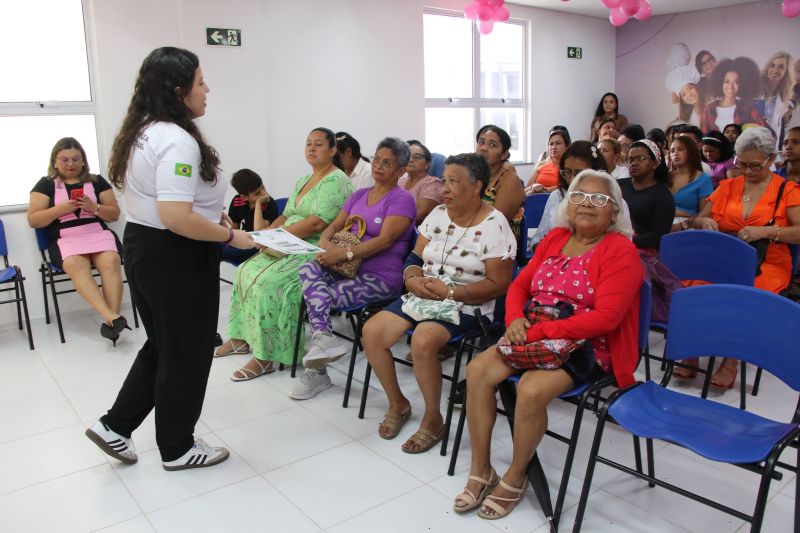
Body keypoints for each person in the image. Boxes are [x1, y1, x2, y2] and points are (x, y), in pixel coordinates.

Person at [84, 47, 256, 471]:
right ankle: (177, 447)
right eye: (201, 81)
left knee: (165, 344)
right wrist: (233, 235)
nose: (207, 88)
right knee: (190, 350)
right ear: (179, 91)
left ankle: (115, 426)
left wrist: (205, 213)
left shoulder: (143, 129)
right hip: (174, 254)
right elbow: (176, 216)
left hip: (146, 245)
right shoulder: (178, 141)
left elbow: (164, 200)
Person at [454, 170, 642, 520]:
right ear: (567, 204)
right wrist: (513, 319)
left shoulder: (621, 251)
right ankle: (482, 469)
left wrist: (539, 332)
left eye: (599, 199)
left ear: (614, 211)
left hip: (587, 344)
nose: (587, 204)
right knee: (477, 371)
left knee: (530, 389)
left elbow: (606, 319)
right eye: (579, 196)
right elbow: (519, 286)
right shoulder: (556, 238)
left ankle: (516, 472)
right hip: (534, 332)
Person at [361, 153, 516, 454]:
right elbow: (415, 256)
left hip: (468, 304)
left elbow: (499, 284)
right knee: (372, 331)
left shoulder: (496, 225)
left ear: (476, 186)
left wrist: (453, 293)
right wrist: (412, 278)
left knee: (423, 340)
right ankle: (399, 403)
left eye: (454, 182)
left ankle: (433, 419)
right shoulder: (438, 215)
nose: (445, 188)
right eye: (444, 180)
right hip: (426, 292)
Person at [215, 128, 352, 379]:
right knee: (246, 270)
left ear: (332, 150)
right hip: (288, 242)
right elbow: (285, 215)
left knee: (272, 282)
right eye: (308, 143)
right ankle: (242, 338)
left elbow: (316, 224)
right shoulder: (303, 180)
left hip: (312, 247)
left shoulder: (337, 180)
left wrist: (279, 237)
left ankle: (268, 355)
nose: (311, 148)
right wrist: (266, 234)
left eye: (318, 144)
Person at [291, 138, 416, 400]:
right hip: (344, 266)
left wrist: (342, 252)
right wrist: (325, 245)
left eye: (387, 162)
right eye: (377, 159)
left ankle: (318, 372)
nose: (379, 166)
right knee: (308, 269)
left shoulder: (402, 199)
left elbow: (385, 240)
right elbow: (333, 226)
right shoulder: (359, 194)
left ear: (401, 170)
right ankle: (323, 339)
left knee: (321, 299)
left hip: (379, 277)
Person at [688, 127, 800, 388]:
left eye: (755, 165)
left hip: (768, 260)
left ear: (771, 160)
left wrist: (767, 230)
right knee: (695, 285)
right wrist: (704, 222)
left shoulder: (787, 190)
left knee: (746, 296)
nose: (747, 171)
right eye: (742, 164)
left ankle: (731, 360)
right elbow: (699, 217)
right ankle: (691, 349)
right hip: (725, 256)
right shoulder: (730, 185)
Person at [28, 137, 128, 345]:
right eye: (64, 160)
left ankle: (112, 322)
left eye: (76, 159)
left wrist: (95, 208)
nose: (71, 164)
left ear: (83, 160)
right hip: (66, 238)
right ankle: (112, 319)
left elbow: (114, 214)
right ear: (55, 160)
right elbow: (34, 220)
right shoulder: (45, 184)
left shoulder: (97, 181)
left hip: (97, 233)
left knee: (111, 260)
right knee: (75, 264)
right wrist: (62, 209)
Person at [530, 141, 608, 250]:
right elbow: (538, 236)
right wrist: (543, 249)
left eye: (578, 173)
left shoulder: (608, 201)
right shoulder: (557, 196)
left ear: (595, 171)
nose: (571, 179)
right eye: (567, 172)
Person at [618, 140, 675, 251]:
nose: (634, 163)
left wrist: (626, 242)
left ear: (655, 163)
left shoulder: (663, 196)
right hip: (614, 241)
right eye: (630, 159)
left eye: (640, 159)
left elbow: (657, 235)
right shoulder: (618, 185)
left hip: (642, 249)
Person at [475, 125, 525, 239]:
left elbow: (495, 224)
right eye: (481, 142)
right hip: (471, 238)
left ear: (504, 154)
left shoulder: (509, 180)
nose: (483, 148)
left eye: (492, 145)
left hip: (498, 246)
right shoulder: (472, 176)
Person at [222, 168, 278, 262]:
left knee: (218, 251)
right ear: (244, 197)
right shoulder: (237, 201)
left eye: (262, 187)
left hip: (260, 246)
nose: (264, 193)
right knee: (213, 246)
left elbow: (259, 232)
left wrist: (258, 203)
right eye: (257, 193)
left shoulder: (270, 204)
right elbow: (234, 228)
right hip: (244, 242)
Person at [700, 57, 766, 133]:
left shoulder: (747, 109)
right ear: (720, 82)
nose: (730, 87)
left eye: (736, 82)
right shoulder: (709, 109)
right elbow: (703, 138)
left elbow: (768, 133)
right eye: (727, 81)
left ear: (742, 84)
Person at [669, 136, 713, 231]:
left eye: (680, 149)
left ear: (691, 152)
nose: (675, 153)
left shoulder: (703, 179)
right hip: (663, 222)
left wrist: (688, 218)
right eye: (672, 151)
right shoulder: (666, 177)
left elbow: (703, 214)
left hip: (688, 225)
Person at [399, 139, 443, 224]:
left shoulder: (432, 183)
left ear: (427, 164)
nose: (410, 160)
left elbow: (420, 214)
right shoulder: (400, 182)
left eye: (417, 157)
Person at [755, 52, 794, 142]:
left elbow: (779, 127)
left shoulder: (785, 100)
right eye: (772, 65)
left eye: (781, 67)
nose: (775, 70)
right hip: (751, 143)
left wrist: (786, 121)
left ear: (786, 72)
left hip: (771, 146)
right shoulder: (754, 90)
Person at [527, 129, 571, 194]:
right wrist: (534, 186)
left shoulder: (570, 167)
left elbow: (570, 188)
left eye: (558, 143)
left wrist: (546, 189)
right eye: (551, 144)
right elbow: (526, 189)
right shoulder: (541, 164)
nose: (553, 147)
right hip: (535, 199)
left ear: (567, 147)